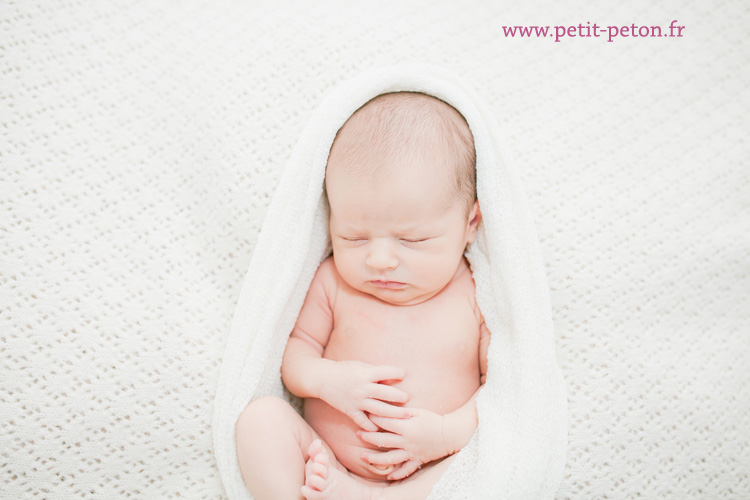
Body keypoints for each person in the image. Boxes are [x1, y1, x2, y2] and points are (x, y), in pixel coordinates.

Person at [235, 91, 491, 500]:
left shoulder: (477, 297)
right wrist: (327, 380)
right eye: (353, 237)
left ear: (469, 224)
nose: (380, 259)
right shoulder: (333, 281)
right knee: (259, 420)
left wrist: (443, 435)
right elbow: (295, 355)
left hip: (434, 472)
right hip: (327, 462)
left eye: (413, 239)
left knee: (487, 464)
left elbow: (499, 394)